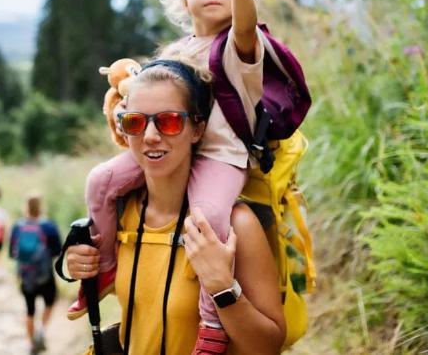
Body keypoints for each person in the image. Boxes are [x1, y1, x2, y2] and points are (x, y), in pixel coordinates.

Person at [71, 0, 269, 353]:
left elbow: (246, 26)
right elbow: (149, 99)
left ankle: (212, 322)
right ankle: (105, 267)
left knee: (207, 217)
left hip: (220, 156)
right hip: (178, 147)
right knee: (100, 181)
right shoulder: (176, 52)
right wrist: (81, 261)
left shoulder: (238, 47)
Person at [66, 60, 285, 354]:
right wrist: (82, 263)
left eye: (169, 121)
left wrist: (222, 287)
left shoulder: (236, 225)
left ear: (197, 129)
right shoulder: (122, 214)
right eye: (134, 122)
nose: (150, 136)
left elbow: (269, 346)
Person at [9, 194, 63, 354]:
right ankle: (41, 331)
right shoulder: (49, 226)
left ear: (25, 207)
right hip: (45, 275)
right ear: (41, 206)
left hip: (26, 276)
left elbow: (12, 253)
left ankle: (32, 344)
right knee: (50, 303)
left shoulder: (18, 227)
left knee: (29, 310)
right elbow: (58, 250)